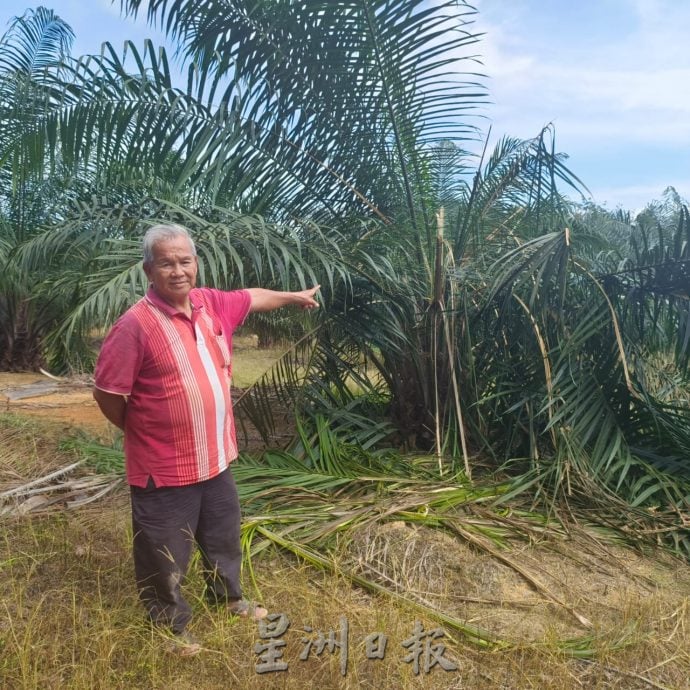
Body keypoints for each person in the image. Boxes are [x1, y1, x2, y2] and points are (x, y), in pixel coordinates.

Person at [93, 223, 319, 655]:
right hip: (163, 465)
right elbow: (107, 394)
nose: (177, 270)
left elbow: (252, 297)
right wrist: (142, 429)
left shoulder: (210, 303)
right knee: (164, 551)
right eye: (166, 263)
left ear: (196, 264)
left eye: (184, 261)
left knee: (222, 537)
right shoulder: (135, 326)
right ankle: (169, 628)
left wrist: (293, 297)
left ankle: (229, 599)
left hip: (216, 458)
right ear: (148, 270)